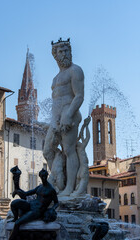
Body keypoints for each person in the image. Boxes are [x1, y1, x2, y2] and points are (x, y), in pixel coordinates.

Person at [43, 38, 84, 196]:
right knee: (48, 151)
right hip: (56, 119)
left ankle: (70, 188)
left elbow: (79, 96)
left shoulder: (75, 70)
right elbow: (55, 103)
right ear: (55, 55)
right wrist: (52, 121)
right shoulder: (55, 78)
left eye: (67, 50)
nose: (65, 54)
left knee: (69, 150)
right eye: (61, 51)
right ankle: (60, 183)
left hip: (70, 115)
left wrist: (68, 114)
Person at [9, 169, 59, 240]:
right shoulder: (40, 187)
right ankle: (15, 218)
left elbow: (56, 202)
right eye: (42, 176)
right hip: (31, 205)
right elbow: (26, 194)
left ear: (47, 176)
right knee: (14, 203)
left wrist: (52, 209)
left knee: (17, 223)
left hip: (37, 211)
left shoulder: (51, 189)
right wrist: (17, 187)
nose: (43, 178)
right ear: (40, 176)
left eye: (44, 176)